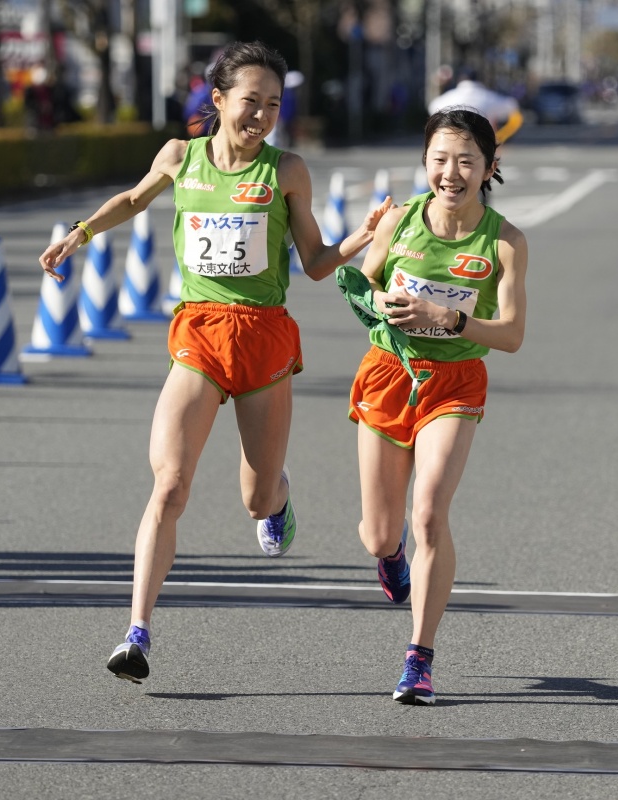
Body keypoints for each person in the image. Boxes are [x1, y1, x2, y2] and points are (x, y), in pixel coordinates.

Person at [38, 40, 393, 684]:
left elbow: (313, 263)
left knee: (255, 499)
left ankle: (279, 500)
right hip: (199, 332)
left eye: (273, 105)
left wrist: (357, 241)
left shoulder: (287, 171)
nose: (260, 116)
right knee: (169, 485)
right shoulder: (181, 156)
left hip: (263, 338)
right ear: (218, 100)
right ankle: (136, 632)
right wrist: (79, 233)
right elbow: (134, 198)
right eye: (250, 102)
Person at [344, 108, 528, 705]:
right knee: (379, 534)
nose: (452, 173)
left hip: (455, 382)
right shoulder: (399, 220)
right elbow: (362, 283)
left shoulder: (505, 242)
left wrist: (447, 318)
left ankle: (418, 659)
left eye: (467, 161)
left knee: (428, 515)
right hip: (388, 373)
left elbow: (512, 334)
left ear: (490, 168)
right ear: (425, 163)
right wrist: (381, 303)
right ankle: (390, 554)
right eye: (440, 160)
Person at [428, 69, 523, 144]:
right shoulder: (488, 97)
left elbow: (432, 108)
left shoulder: (447, 98)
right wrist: (501, 136)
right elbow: (512, 105)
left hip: (449, 139)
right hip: (481, 141)